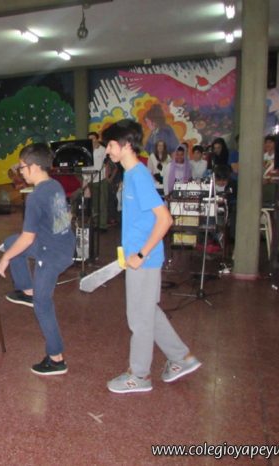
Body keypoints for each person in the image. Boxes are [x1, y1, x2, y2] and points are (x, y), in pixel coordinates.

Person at [101, 119, 201, 394]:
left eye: (110, 145)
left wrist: (141, 254)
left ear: (125, 145)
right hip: (138, 257)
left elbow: (165, 219)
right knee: (148, 312)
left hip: (143, 260)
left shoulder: (139, 176)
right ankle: (181, 358)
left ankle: (139, 375)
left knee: (139, 318)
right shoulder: (131, 175)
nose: (107, 150)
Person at [0, 143, 76, 376]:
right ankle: (26, 290)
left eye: (22, 167)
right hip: (62, 244)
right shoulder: (54, 185)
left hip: (51, 254)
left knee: (43, 305)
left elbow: (27, 238)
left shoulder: (35, 197)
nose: (20, 171)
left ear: (33, 167)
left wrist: (5, 259)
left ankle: (56, 359)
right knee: (11, 242)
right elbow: (62, 218)